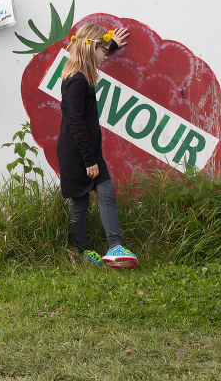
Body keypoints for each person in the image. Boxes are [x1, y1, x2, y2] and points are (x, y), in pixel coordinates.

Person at [57, 22, 138, 269]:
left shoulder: (82, 69)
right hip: (78, 152)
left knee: (106, 193)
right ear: (91, 49)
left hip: (88, 150)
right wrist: (88, 159)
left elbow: (92, 50)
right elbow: (76, 122)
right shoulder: (77, 80)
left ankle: (115, 247)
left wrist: (110, 44)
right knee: (80, 202)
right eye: (103, 51)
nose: (105, 56)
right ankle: (83, 252)